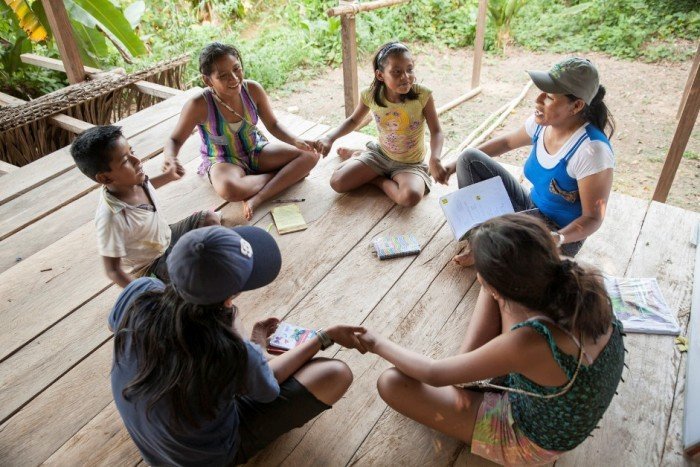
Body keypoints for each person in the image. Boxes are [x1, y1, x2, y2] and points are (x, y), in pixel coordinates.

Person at [355, 214, 625, 465]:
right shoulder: (582, 276)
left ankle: (467, 369)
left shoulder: (529, 342)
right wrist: (489, 279)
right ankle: (468, 368)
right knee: (492, 304)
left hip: (532, 440)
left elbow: (435, 374)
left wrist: (375, 342)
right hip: (560, 410)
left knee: (391, 383)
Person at [110, 225, 367, 466]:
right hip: (205, 457)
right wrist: (323, 337)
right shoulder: (230, 351)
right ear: (231, 297)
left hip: (153, 436)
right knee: (335, 374)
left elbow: (115, 325)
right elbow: (268, 389)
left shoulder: (141, 291)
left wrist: (248, 344)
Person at [445, 57, 615, 265]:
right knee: (469, 158)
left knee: (513, 264)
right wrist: (453, 165)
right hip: (529, 208)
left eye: (549, 97)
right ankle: (480, 243)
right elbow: (506, 142)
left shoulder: (592, 151)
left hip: (556, 235)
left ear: (576, 105)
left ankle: (494, 247)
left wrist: (557, 238)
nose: (538, 99)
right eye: (542, 92)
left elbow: (593, 218)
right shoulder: (543, 124)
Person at [163, 42, 320, 221]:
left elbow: (273, 124)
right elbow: (174, 140)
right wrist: (170, 158)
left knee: (311, 154)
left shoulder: (252, 90)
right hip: (223, 160)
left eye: (236, 69)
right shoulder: (199, 104)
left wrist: (295, 140)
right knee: (229, 189)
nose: (233, 78)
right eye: (223, 75)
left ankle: (258, 197)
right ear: (207, 80)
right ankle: (282, 177)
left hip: (255, 150)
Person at [70, 125, 220, 288]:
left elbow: (149, 184)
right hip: (151, 264)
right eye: (125, 161)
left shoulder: (134, 179)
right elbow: (112, 270)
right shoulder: (111, 217)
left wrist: (169, 176)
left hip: (167, 237)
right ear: (105, 178)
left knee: (209, 218)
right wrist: (143, 292)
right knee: (191, 276)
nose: (137, 160)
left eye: (132, 152)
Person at [314, 41, 448, 207]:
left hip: (410, 164)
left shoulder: (422, 95)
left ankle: (377, 179)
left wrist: (435, 159)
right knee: (337, 182)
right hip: (380, 156)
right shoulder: (370, 95)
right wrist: (329, 137)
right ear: (380, 75)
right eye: (396, 72)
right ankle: (362, 158)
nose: (405, 76)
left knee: (410, 197)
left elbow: (436, 132)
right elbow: (354, 120)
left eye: (409, 69)